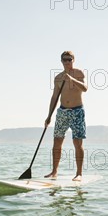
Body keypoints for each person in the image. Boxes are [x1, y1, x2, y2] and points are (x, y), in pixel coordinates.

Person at [44, 51, 88, 181]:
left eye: (69, 59)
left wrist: (71, 79)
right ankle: (54, 172)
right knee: (57, 141)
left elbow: (85, 88)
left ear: (73, 60)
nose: (67, 62)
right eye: (65, 60)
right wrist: (49, 116)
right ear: (61, 61)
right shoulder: (58, 78)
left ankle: (79, 173)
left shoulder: (79, 73)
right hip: (62, 111)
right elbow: (54, 97)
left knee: (77, 142)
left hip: (77, 111)